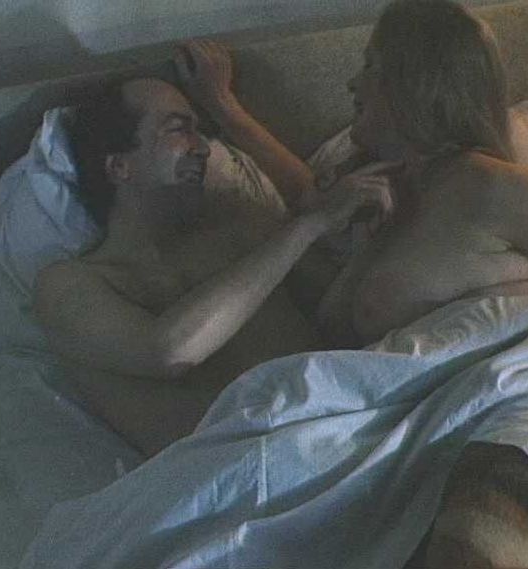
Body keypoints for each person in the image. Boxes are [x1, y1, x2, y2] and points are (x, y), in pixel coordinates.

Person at [176, 1, 528, 349]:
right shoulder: (387, 183)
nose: (352, 83)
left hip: (495, 398)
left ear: (416, 83)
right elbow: (310, 198)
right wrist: (223, 106)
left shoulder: (482, 184)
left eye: (371, 65)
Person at [33, 77, 392, 457]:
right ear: (120, 166)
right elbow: (166, 351)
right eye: (178, 129)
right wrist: (308, 226)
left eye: (200, 132)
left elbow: (343, 323)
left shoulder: (243, 229)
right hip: (234, 473)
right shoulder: (68, 284)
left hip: (346, 434)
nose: (204, 148)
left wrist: (370, 239)